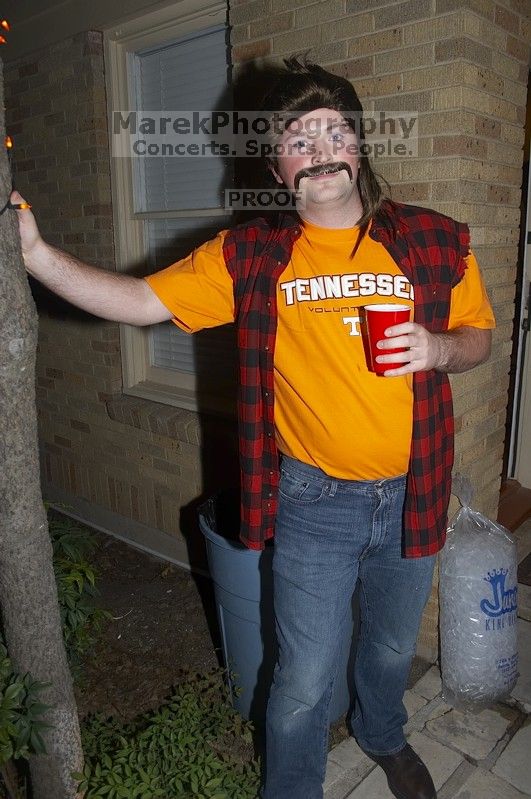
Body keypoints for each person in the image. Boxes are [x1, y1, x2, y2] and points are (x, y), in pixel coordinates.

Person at [13, 57, 494, 799]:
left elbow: (478, 337)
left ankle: (382, 733)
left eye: (335, 131)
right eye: (299, 140)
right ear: (276, 167)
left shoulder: (431, 239)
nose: (322, 150)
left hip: (414, 488)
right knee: (301, 678)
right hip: (314, 502)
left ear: (359, 147)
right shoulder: (250, 256)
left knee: (392, 644)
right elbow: (140, 299)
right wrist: (38, 257)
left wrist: (437, 347)